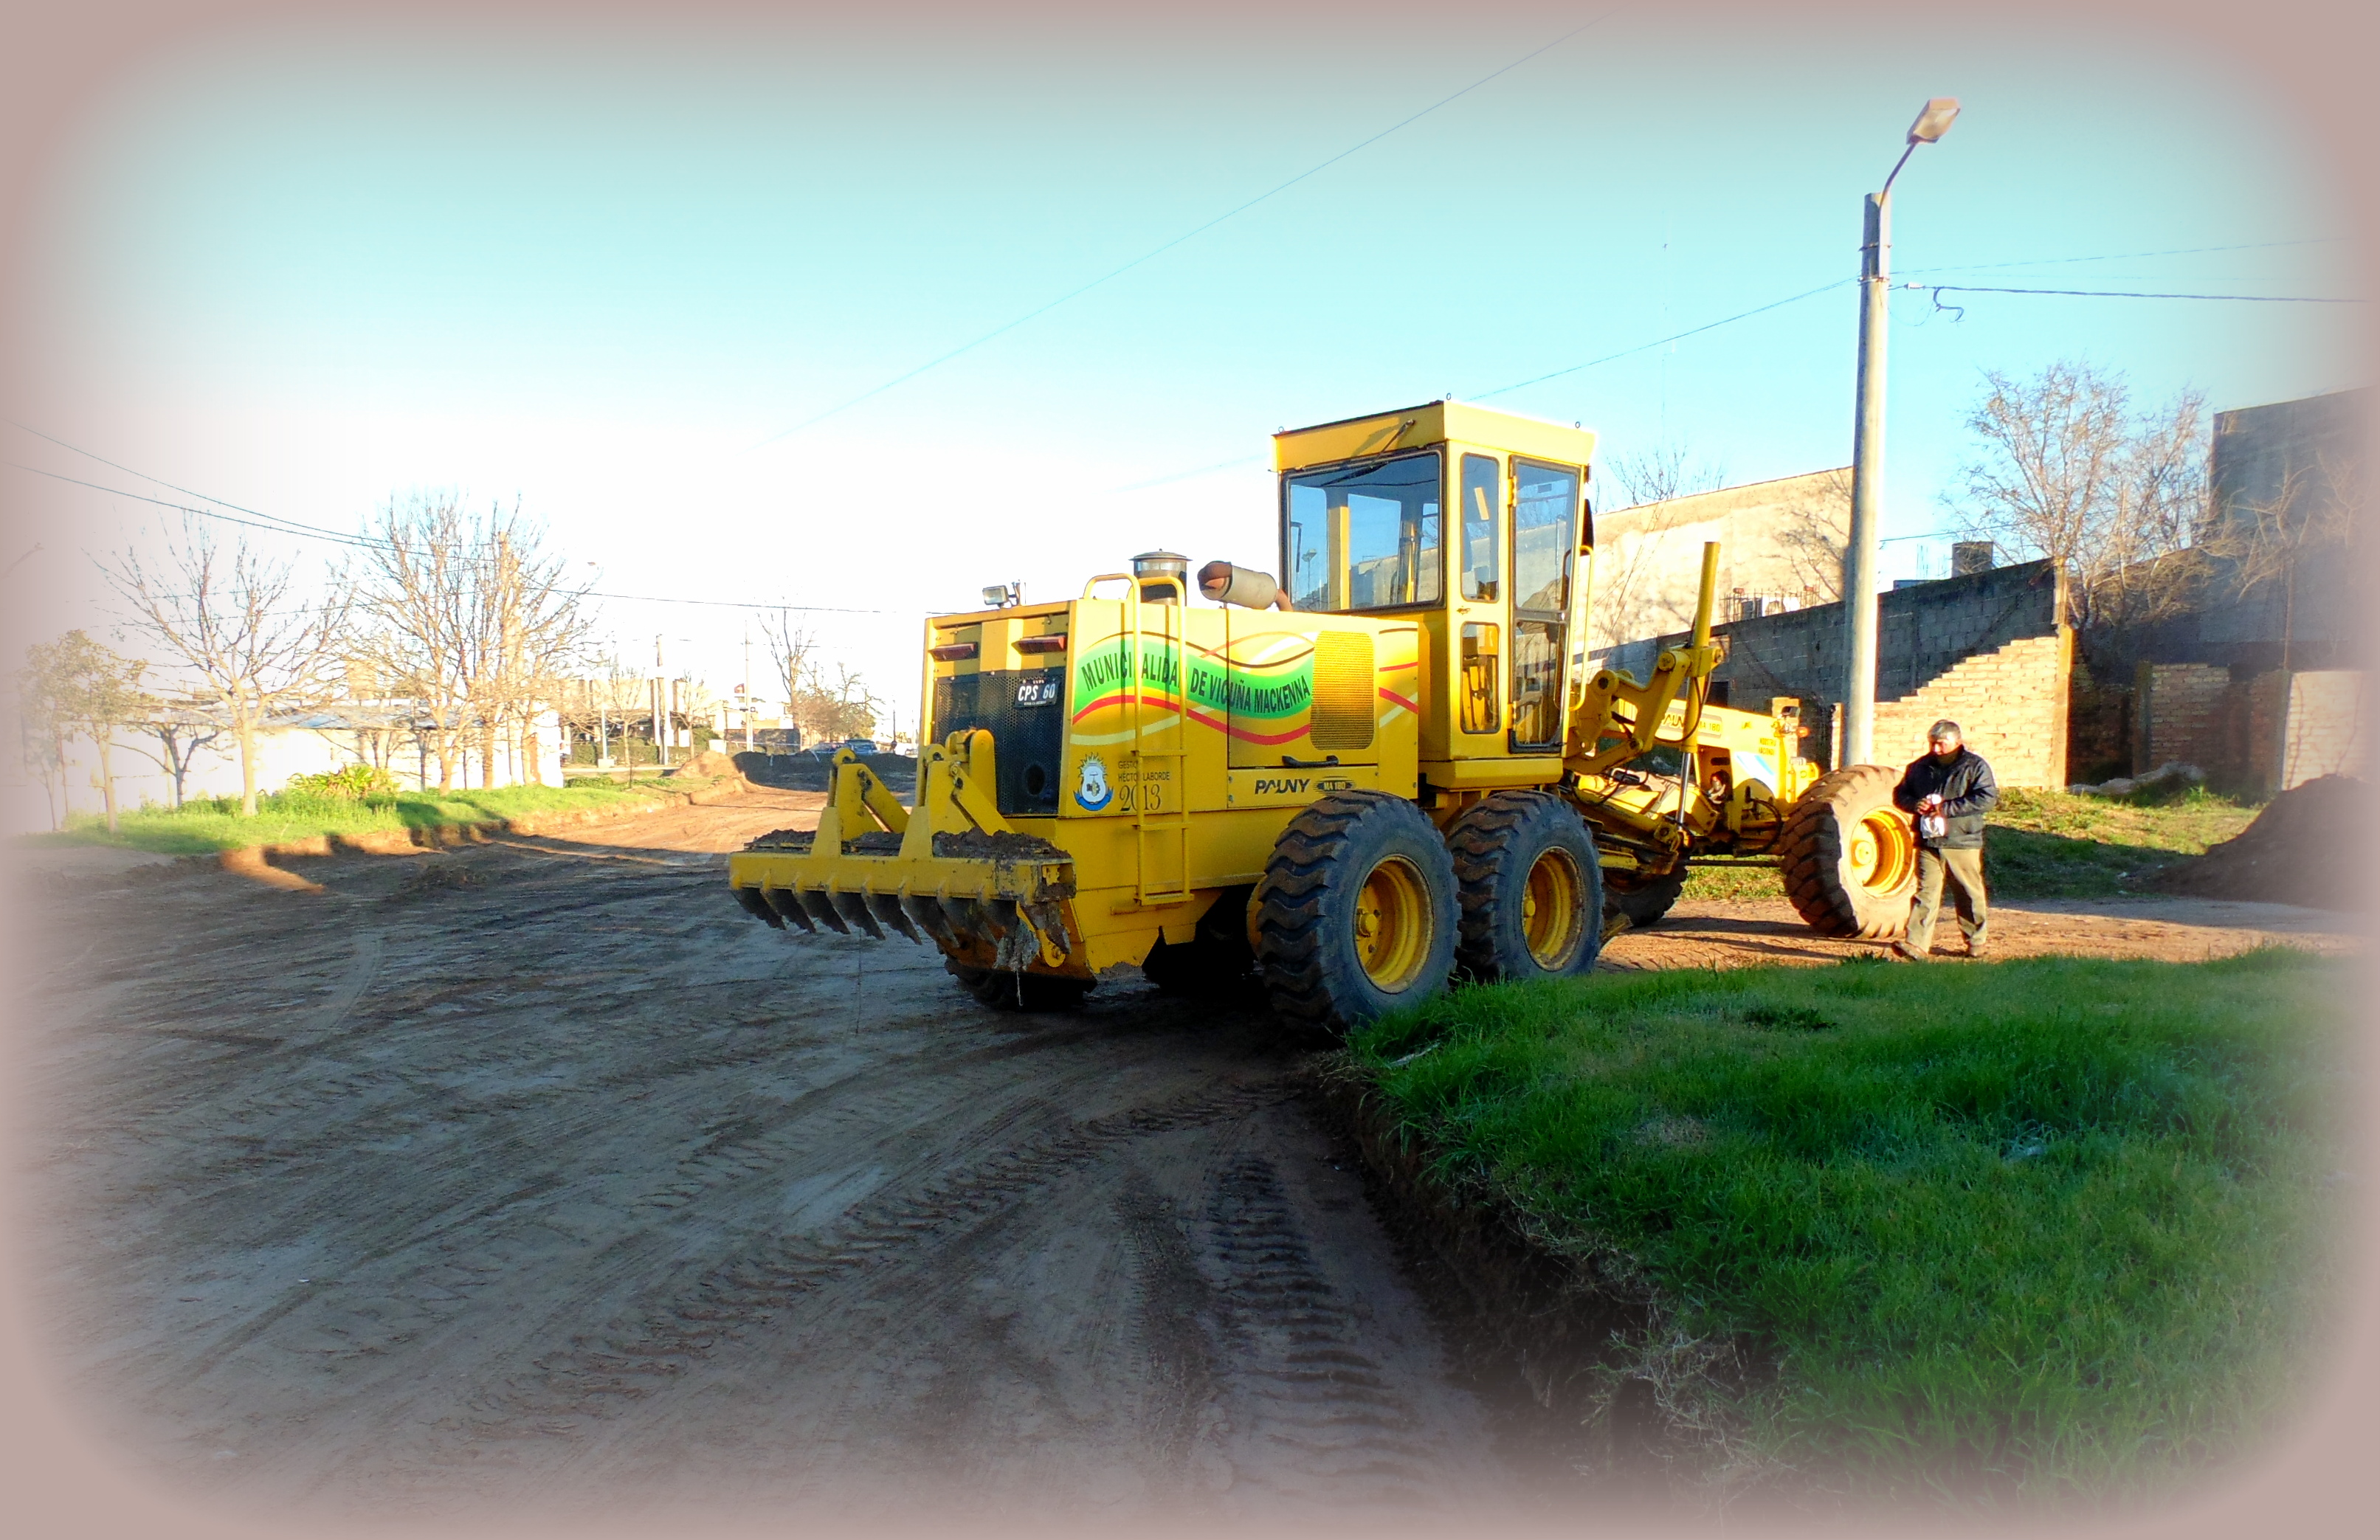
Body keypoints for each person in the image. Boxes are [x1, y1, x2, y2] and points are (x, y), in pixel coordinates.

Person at [1891, 719, 1997, 960]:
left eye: (1941, 744)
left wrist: (1947, 809)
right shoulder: (1918, 767)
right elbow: (1900, 795)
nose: (1936, 749)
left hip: (1961, 840)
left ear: (1957, 742)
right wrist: (1914, 805)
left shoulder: (1975, 766)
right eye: (1932, 743)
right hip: (1928, 841)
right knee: (1925, 893)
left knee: (1967, 893)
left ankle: (1976, 942)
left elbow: (1987, 798)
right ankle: (1916, 945)